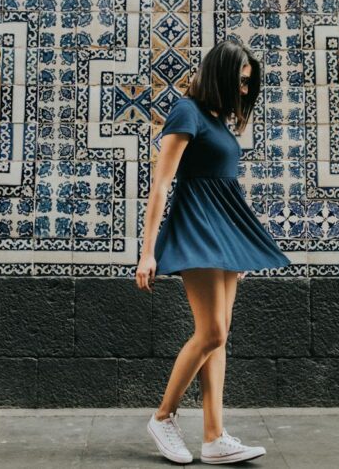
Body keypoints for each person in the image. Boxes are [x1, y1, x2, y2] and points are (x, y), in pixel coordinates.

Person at [136, 39, 291, 465]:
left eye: (248, 84)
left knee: (219, 338)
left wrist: (236, 246)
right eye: (240, 81)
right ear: (220, 74)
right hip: (196, 230)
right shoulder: (186, 111)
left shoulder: (218, 120)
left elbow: (226, 186)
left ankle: (214, 436)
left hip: (223, 235)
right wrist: (148, 251)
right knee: (213, 333)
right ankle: (164, 417)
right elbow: (161, 184)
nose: (244, 91)